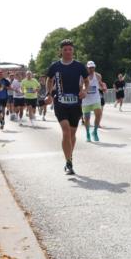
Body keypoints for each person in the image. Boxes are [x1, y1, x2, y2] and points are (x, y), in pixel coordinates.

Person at [45, 39, 88, 175]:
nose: (68, 52)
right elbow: (49, 79)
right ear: (61, 51)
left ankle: (69, 157)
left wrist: (85, 91)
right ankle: (68, 162)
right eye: (65, 49)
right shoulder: (55, 66)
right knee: (66, 131)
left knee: (72, 134)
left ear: (73, 50)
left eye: (70, 49)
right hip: (60, 102)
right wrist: (49, 94)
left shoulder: (79, 66)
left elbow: (87, 81)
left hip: (75, 103)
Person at [81, 61, 106, 142]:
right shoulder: (82, 76)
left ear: (94, 67)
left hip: (96, 99)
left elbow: (100, 84)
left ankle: (94, 131)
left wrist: (103, 87)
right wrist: (83, 91)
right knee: (87, 118)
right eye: (90, 67)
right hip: (86, 100)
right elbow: (80, 86)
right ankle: (88, 133)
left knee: (99, 114)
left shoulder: (98, 76)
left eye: (93, 67)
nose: (91, 69)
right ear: (87, 68)